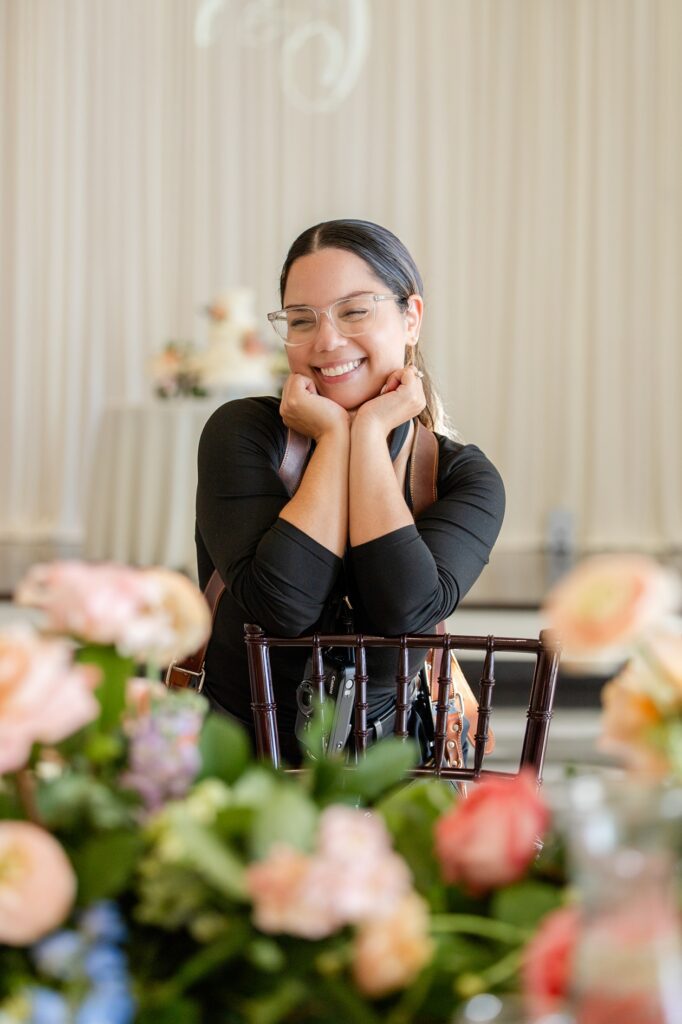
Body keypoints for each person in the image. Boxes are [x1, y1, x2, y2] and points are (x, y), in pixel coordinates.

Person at [195, 219, 505, 762]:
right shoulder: (242, 433)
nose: (327, 340)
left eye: (355, 311)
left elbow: (404, 614)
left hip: (392, 779)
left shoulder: (464, 478)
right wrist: (336, 436)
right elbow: (281, 606)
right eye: (301, 319)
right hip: (232, 773)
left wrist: (365, 435)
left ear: (412, 318)